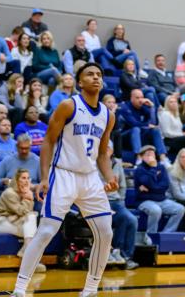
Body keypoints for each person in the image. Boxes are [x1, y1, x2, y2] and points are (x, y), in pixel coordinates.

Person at [10, 62, 117, 297]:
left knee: (106, 233)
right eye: (90, 74)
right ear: (79, 82)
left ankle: (90, 289)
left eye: (99, 74)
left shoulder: (108, 116)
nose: (96, 77)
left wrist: (109, 176)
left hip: (89, 178)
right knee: (47, 231)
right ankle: (19, 289)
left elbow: (101, 153)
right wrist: (45, 177)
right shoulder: (69, 106)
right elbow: (48, 141)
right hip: (63, 174)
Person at [0, 169, 42, 265]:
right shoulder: (9, 193)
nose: (27, 181)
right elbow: (21, 211)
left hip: (15, 222)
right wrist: (29, 199)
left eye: (28, 178)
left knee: (32, 220)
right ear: (16, 180)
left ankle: (26, 253)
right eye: (23, 178)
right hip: (0, 223)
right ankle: (29, 258)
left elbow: (26, 212)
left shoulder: (24, 193)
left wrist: (28, 199)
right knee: (32, 220)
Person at [135, 144, 184, 241]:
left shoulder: (161, 168)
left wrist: (152, 187)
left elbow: (165, 185)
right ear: (142, 157)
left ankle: (166, 235)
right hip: (144, 200)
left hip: (161, 199)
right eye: (148, 154)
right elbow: (148, 182)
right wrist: (153, 169)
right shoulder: (139, 169)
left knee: (180, 209)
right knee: (156, 210)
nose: (151, 157)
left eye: (152, 154)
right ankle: (150, 236)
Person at [102, 142, 139, 269]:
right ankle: (115, 250)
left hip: (116, 202)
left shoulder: (117, 163)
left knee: (132, 220)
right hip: (99, 202)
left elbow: (122, 186)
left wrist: (121, 202)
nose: (105, 150)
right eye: (103, 147)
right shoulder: (92, 163)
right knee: (123, 218)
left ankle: (126, 257)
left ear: (112, 150)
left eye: (108, 148)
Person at [119, 89, 167, 161]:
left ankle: (163, 159)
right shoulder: (125, 107)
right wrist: (147, 125)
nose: (140, 100)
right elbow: (133, 123)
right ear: (131, 98)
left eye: (141, 97)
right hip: (125, 136)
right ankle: (139, 158)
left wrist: (152, 107)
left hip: (139, 135)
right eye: (137, 98)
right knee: (136, 129)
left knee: (155, 130)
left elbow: (153, 122)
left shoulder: (143, 107)